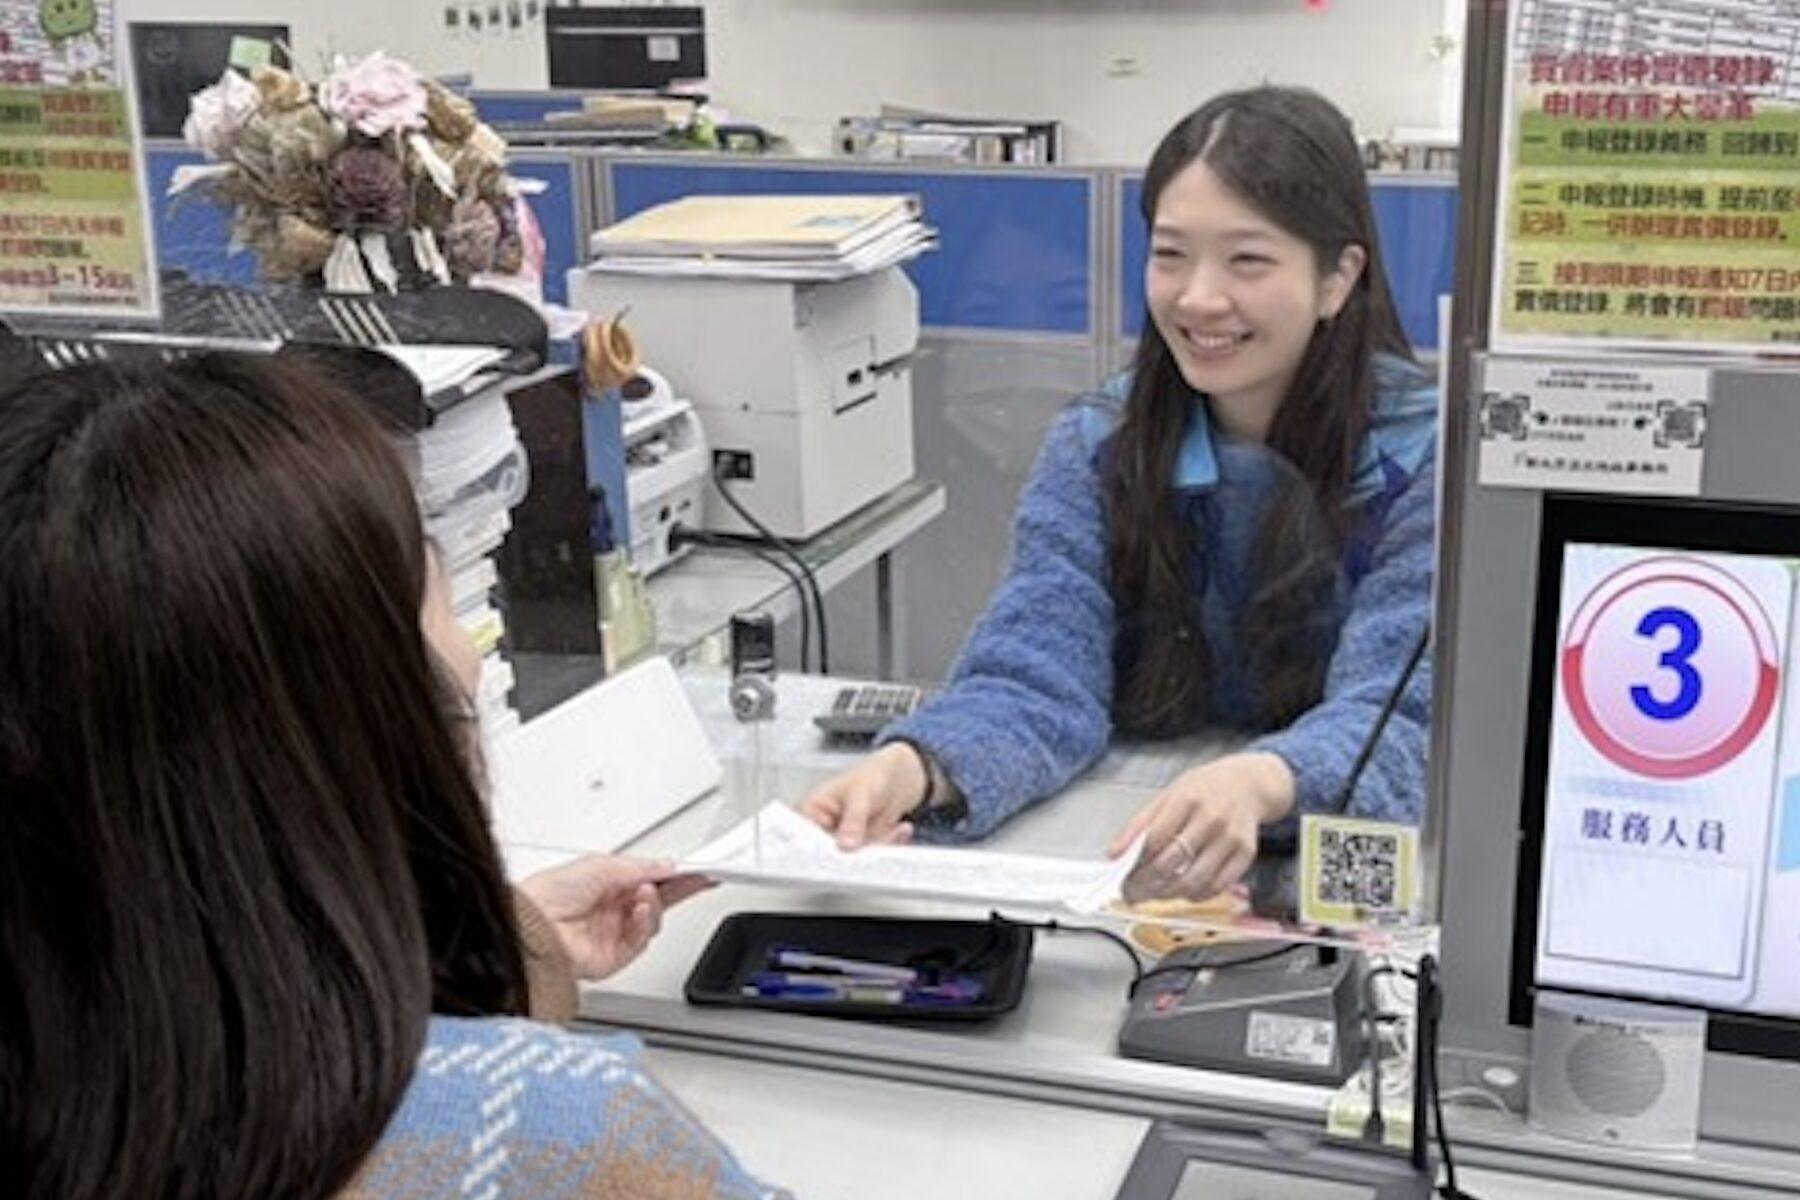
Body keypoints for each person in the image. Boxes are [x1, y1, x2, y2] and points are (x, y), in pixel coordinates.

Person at [0, 353, 781, 1200]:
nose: (468, 663)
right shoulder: (557, 1127)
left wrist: (514, 949)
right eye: (431, 577)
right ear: (366, 716)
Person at [804, 86, 1437, 903]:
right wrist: (918, 765)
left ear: (1336, 278)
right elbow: (1035, 676)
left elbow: (1404, 718)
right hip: (1137, 866)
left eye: (1247, 260)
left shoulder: (1425, 458)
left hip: (1335, 880)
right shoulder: (1098, 444)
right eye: (1170, 255)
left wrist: (1264, 779)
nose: (1198, 297)